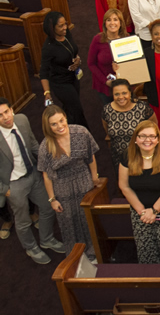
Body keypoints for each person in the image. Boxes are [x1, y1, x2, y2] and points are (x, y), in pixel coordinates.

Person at [0, 97, 65, 265]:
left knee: (48, 208)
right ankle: (31, 247)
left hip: (34, 174)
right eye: (0, 115)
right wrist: (5, 190)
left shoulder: (22, 120)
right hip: (13, 184)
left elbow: (33, 144)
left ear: (11, 109)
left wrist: (46, 162)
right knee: (23, 221)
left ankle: (47, 239)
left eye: (6, 112)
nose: (5, 117)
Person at [38, 105, 100, 259]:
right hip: (62, 188)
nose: (60, 126)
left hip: (84, 182)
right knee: (69, 225)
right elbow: (46, 176)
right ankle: (76, 257)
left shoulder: (81, 132)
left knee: (88, 220)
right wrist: (52, 199)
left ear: (66, 117)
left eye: (61, 120)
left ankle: (95, 253)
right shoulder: (45, 146)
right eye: (54, 124)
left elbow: (91, 158)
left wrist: (94, 178)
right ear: (48, 126)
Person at [118, 121, 160, 263]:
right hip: (140, 214)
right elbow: (124, 187)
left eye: (152, 136)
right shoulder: (127, 156)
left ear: (158, 139)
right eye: (143, 136)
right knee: (146, 253)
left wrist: (154, 210)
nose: (148, 140)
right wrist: (142, 212)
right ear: (136, 139)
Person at [40, 11, 88, 128]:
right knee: (77, 109)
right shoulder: (49, 48)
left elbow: (72, 50)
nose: (65, 28)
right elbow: (43, 72)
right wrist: (47, 93)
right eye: (60, 26)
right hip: (60, 83)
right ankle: (85, 135)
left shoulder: (67, 34)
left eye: (65, 24)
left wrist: (77, 59)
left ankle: (68, 132)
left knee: (70, 109)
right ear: (52, 28)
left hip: (73, 78)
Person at [102, 79, 156, 172]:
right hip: (119, 158)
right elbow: (107, 130)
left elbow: (154, 127)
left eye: (124, 93)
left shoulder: (142, 108)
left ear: (130, 93)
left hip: (142, 155)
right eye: (117, 94)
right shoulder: (107, 110)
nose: (121, 97)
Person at [88, 9, 129, 105]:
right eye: (109, 20)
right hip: (105, 85)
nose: (112, 23)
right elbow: (91, 64)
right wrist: (106, 81)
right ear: (105, 23)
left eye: (115, 19)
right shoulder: (97, 39)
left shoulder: (127, 38)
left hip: (124, 85)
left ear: (120, 23)